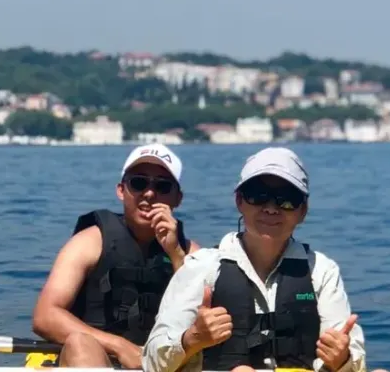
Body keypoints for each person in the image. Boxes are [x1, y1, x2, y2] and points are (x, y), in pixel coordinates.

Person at [141, 146, 373, 372]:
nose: (271, 209)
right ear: (239, 201)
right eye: (257, 195)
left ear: (302, 211)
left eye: (287, 199)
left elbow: (354, 362)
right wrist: (192, 338)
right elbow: (151, 363)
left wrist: (342, 359)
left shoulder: (322, 272)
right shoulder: (201, 268)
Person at [31, 143, 201, 369]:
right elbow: (45, 315)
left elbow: (203, 322)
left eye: (162, 186)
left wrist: (176, 254)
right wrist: (120, 346)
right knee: (80, 344)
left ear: (178, 198)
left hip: (162, 365)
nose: (149, 193)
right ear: (121, 190)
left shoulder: (193, 255)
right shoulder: (89, 243)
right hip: (95, 359)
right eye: (138, 183)